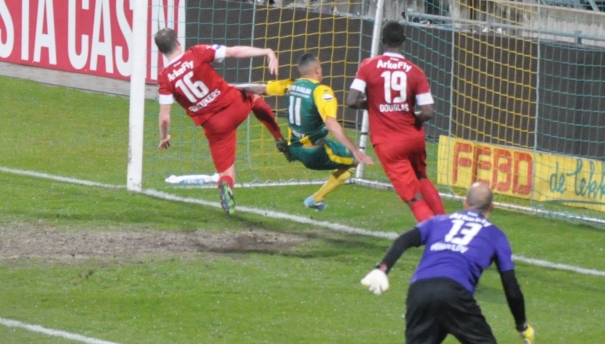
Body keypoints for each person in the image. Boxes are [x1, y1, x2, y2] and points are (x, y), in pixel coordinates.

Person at [359, 181, 534, 344]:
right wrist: (521, 325)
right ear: (491, 207)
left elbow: (404, 240)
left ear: (464, 203)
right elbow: (511, 287)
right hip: (454, 292)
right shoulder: (495, 235)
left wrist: (382, 269)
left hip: (419, 290)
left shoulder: (439, 221)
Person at [154, 28, 292, 215]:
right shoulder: (197, 52)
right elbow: (235, 51)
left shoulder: (164, 78)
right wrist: (266, 51)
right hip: (234, 105)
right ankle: (278, 136)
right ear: (178, 42)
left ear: (161, 51)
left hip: (215, 126)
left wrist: (164, 136)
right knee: (254, 98)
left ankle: (225, 187)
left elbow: (164, 117)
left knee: (226, 171)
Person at [238, 52, 373, 211]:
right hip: (314, 154)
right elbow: (331, 124)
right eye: (321, 67)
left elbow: (260, 89)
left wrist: (232, 87)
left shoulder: (291, 85)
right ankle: (317, 198)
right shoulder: (322, 91)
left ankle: (290, 150)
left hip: (294, 148)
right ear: (316, 70)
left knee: (325, 141)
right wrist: (355, 150)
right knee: (355, 161)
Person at [346, 21, 445, 222]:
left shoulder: (368, 65)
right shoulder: (415, 71)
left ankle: (439, 238)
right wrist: (408, 117)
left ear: (382, 41)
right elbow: (427, 112)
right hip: (413, 138)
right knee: (421, 177)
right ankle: (446, 223)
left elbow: (351, 100)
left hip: (389, 143)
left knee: (413, 197)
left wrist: (373, 104)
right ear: (404, 41)